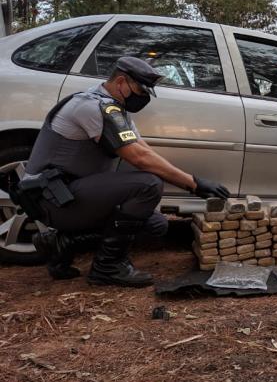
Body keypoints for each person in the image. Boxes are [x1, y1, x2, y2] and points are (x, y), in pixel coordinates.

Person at [19, 56, 230, 287]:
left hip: (72, 194)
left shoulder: (116, 108)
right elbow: (139, 158)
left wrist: (190, 182)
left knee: (156, 225)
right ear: (121, 82)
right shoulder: (92, 106)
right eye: (140, 88)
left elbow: (143, 150)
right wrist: (194, 184)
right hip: (52, 200)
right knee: (148, 184)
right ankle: (107, 268)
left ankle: (62, 242)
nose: (144, 95)